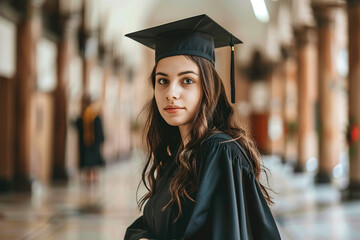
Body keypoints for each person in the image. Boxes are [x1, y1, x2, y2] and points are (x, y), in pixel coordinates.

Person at [124, 14, 281, 240]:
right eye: (163, 80)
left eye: (187, 80)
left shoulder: (220, 151)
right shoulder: (178, 157)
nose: (171, 93)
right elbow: (149, 224)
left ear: (207, 87)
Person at [76, 95, 105, 183]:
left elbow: (78, 127)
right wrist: (101, 140)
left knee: (87, 160)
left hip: (85, 143)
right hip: (93, 143)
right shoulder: (94, 115)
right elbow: (99, 130)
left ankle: (88, 177)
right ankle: (93, 177)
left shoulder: (83, 115)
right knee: (93, 160)